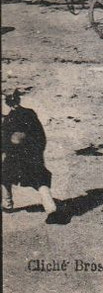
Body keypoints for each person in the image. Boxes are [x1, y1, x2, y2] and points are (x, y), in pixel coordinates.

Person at [1, 90, 57, 218]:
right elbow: (40, 136)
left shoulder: (8, 120)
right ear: (18, 101)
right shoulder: (30, 113)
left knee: (4, 175)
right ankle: (51, 208)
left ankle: (7, 204)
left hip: (15, 155)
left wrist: (5, 152)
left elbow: (7, 140)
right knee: (40, 179)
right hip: (32, 153)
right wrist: (39, 152)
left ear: (7, 103)